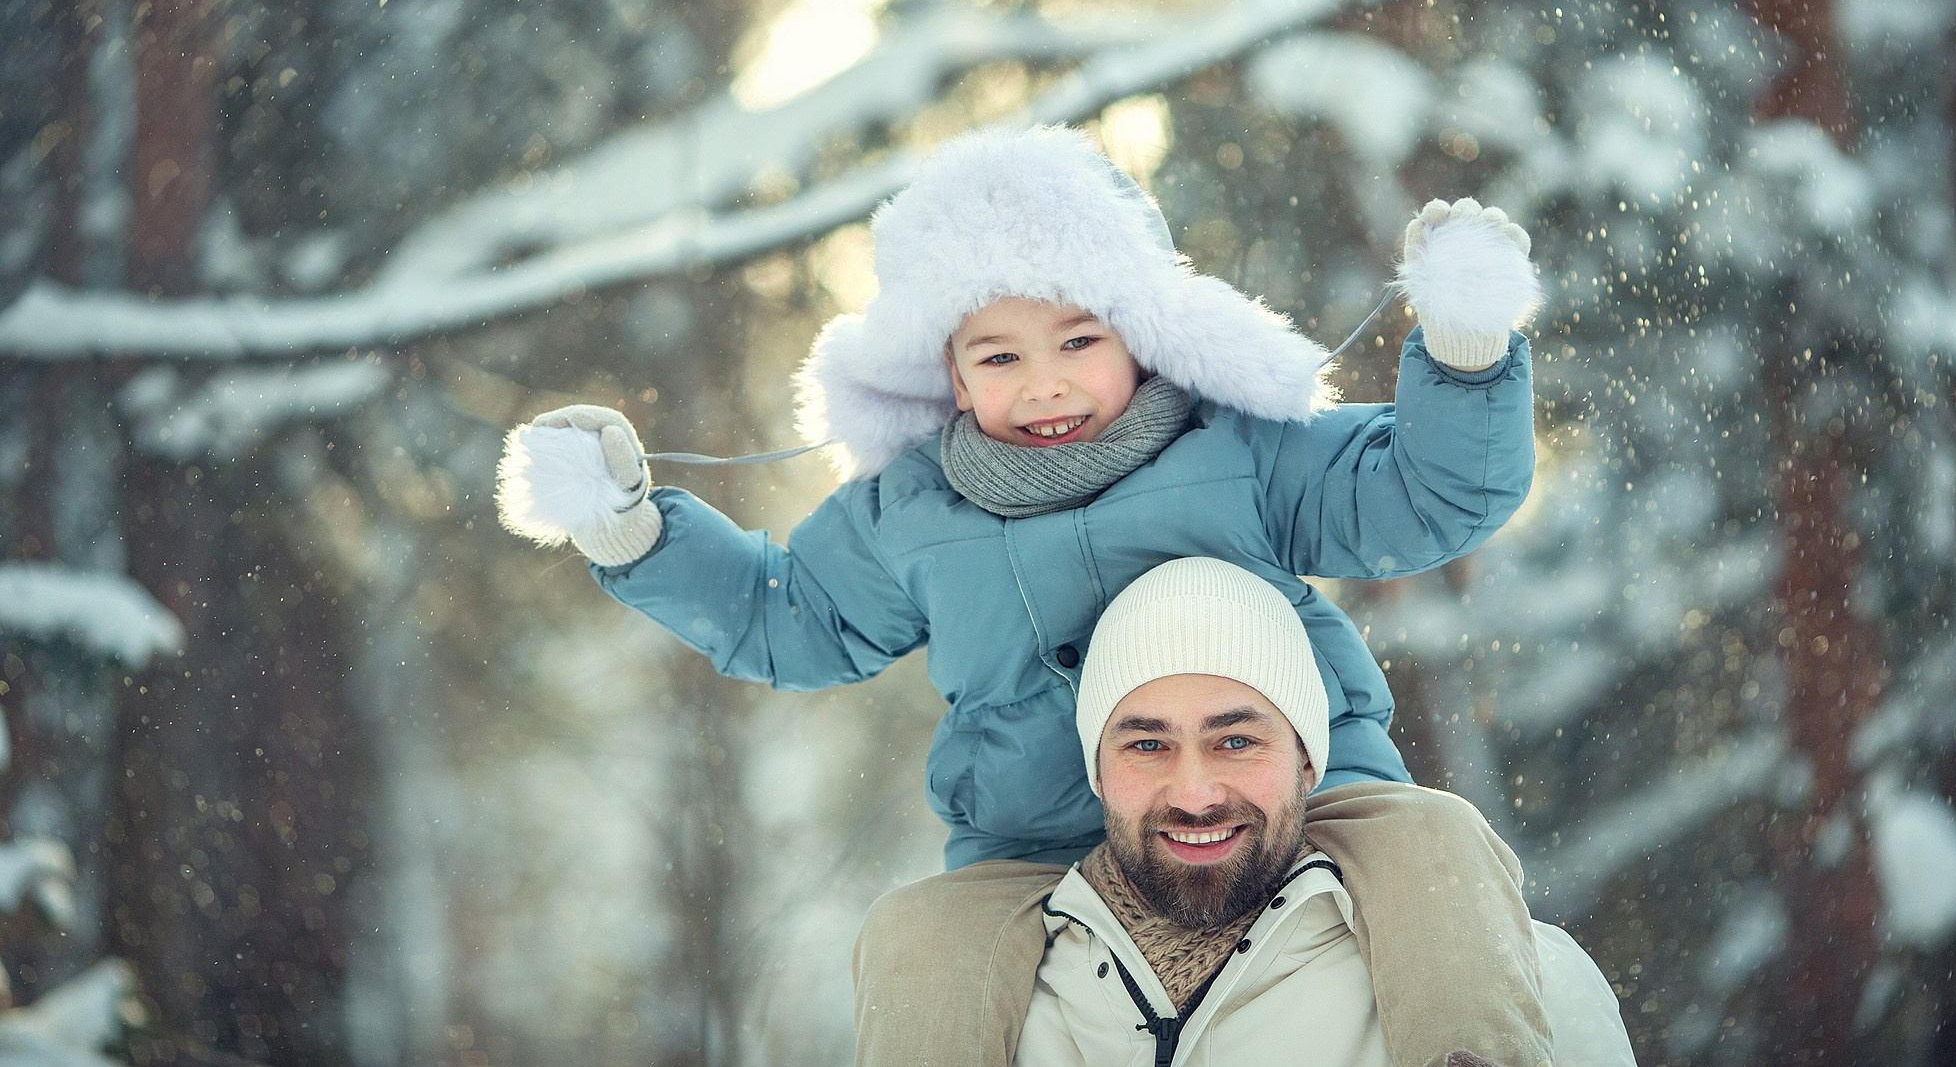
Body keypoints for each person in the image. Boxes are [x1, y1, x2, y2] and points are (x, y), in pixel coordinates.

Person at [495, 124, 1549, 1066]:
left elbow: (1426, 492)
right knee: (919, 939)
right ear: (950, 376)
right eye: (998, 355)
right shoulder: (910, 514)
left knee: (1437, 849)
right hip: (1033, 840)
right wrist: (631, 532)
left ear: (1137, 333)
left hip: (1303, 793)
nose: (1042, 384)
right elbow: (789, 618)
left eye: (1077, 342)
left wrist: (1464, 350)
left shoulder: (1236, 448)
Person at [1015, 556, 1636, 1067]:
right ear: (1098, 771)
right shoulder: (1007, 1019)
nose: (1195, 793)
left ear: (1308, 761)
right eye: (1148, 745)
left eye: (1236, 741)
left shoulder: (1518, 985)